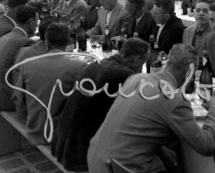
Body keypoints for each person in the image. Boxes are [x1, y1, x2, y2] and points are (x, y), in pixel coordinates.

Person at [87, 44, 215, 173]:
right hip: (125, 167)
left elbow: (137, 127)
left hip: (97, 160)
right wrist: (214, 110)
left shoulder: (136, 79)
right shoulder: (173, 98)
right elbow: (206, 146)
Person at [52, 38, 149, 171]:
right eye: (142, 63)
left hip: (63, 140)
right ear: (137, 58)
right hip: (82, 149)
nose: (141, 68)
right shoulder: (126, 75)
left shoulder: (94, 65)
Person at [12, 21, 87, 145]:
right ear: (68, 42)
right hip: (59, 133)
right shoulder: (79, 66)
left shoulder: (28, 64)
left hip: (34, 128)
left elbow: (18, 98)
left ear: (46, 42)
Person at [0, 5, 37, 111]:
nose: (36, 25)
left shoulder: (6, 36)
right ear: (30, 21)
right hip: (8, 100)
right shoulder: (25, 42)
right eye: (36, 22)